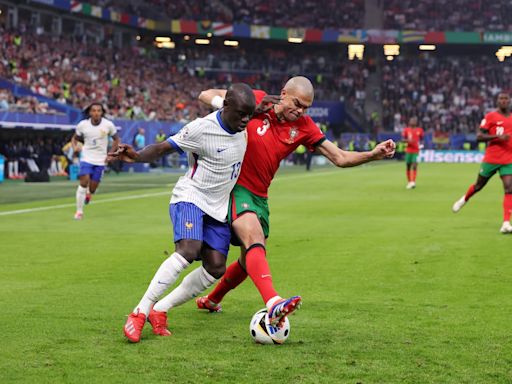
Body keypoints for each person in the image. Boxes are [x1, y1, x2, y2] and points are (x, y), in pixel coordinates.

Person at [195, 76, 396, 327]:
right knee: (254, 240)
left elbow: (340, 157)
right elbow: (205, 94)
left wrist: (372, 155)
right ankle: (273, 302)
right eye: (297, 104)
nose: (300, 111)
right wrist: (240, 107)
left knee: (250, 260)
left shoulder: (304, 126)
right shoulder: (257, 99)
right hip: (237, 187)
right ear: (283, 94)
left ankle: (212, 300)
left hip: (261, 196)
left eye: (306, 108)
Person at [113, 83, 256, 343]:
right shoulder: (201, 129)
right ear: (226, 108)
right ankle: (140, 311)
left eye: (250, 114)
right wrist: (135, 157)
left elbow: (219, 100)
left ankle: (161, 309)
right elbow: (162, 148)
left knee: (216, 267)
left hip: (218, 206)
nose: (246, 120)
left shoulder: (237, 118)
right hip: (191, 196)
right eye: (241, 114)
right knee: (189, 249)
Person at [452, 92, 512, 234]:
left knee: (509, 188)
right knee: (479, 186)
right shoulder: (490, 117)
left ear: (509, 101)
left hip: (508, 160)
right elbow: (479, 137)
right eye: (501, 99)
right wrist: (498, 136)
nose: (503, 101)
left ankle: (505, 223)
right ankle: (464, 199)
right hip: (491, 159)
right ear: (497, 101)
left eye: (506, 99)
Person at [71, 103, 119, 220]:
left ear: (102, 112)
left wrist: (111, 154)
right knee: (84, 181)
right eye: (94, 110)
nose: (96, 113)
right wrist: (75, 146)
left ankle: (89, 193)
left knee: (93, 188)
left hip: (100, 160)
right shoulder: (83, 125)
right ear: (89, 112)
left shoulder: (108, 125)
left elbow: (116, 139)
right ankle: (79, 211)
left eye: (99, 110)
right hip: (86, 157)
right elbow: (74, 138)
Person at [402, 117, 424, 189]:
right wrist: (408, 140)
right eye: (411, 121)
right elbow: (403, 139)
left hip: (416, 151)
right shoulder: (406, 130)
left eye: (414, 121)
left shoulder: (419, 130)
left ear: (416, 122)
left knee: (415, 165)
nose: (413, 122)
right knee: (408, 166)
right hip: (408, 150)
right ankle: (409, 182)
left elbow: (422, 139)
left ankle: (413, 182)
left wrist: (421, 145)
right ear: (409, 122)